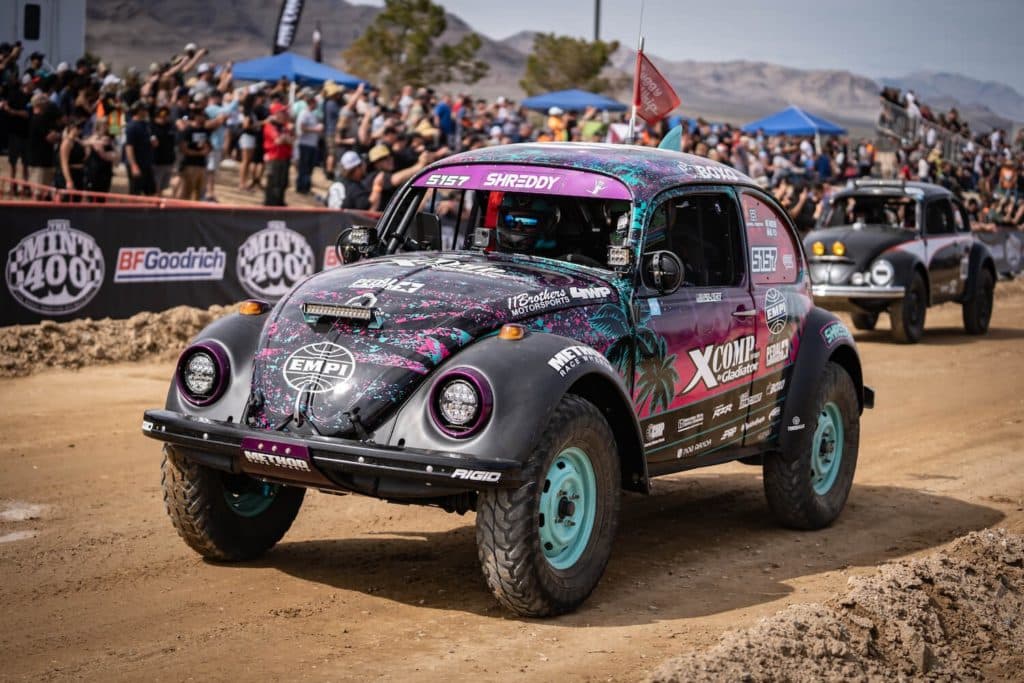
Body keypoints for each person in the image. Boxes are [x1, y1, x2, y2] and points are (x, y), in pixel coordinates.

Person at [26, 93, 61, 199]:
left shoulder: (41, 118)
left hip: (44, 160)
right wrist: (58, 135)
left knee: (44, 192)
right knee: (38, 192)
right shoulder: (38, 119)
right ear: (39, 104)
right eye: (45, 102)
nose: (47, 104)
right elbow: (50, 138)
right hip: (39, 162)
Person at [263, 101, 293, 206]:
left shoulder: (284, 126)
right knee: (273, 183)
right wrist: (285, 138)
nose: (285, 115)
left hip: (284, 157)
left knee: (283, 183)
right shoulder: (270, 126)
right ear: (276, 114)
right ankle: (271, 205)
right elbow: (278, 141)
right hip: (274, 158)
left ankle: (280, 203)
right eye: (282, 112)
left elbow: (291, 141)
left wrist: (285, 138)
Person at [177, 105, 211, 200]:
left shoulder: (204, 130)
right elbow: (183, 148)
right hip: (190, 165)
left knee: (200, 193)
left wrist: (206, 149)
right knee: (186, 192)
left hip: (202, 165)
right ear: (196, 117)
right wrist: (199, 153)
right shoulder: (188, 130)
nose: (203, 118)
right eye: (201, 115)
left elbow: (208, 146)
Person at [124, 101, 155, 195]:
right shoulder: (132, 126)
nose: (146, 111)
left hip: (146, 163)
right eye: (144, 110)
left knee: (150, 191)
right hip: (137, 164)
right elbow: (129, 147)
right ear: (138, 111)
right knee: (135, 192)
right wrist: (133, 165)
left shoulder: (146, 124)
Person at [295, 89, 322, 194]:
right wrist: (315, 129)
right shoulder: (304, 114)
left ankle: (306, 187)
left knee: (309, 168)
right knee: (304, 167)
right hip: (305, 145)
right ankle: (301, 187)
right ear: (311, 102)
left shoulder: (312, 114)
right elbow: (302, 128)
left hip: (311, 145)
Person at [57, 118, 87, 199]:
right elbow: (64, 163)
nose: (80, 130)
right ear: (72, 128)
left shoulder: (77, 141)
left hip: (79, 174)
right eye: (78, 127)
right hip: (71, 174)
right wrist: (69, 180)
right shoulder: (67, 143)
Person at [151, 106, 177, 196]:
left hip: (168, 161)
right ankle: (154, 207)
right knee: (155, 188)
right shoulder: (151, 127)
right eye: (161, 116)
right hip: (156, 162)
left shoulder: (171, 126)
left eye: (166, 116)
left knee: (163, 188)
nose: (164, 118)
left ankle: (158, 206)